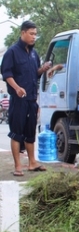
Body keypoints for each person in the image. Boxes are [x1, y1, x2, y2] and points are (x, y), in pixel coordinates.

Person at [0, 20, 52, 176]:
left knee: (30, 131)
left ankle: (32, 162)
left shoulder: (34, 54)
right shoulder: (12, 52)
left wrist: (42, 69)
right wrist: (17, 88)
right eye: (31, 34)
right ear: (23, 33)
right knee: (17, 132)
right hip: (18, 99)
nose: (34, 37)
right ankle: (18, 166)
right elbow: (6, 74)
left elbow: (34, 73)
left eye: (35, 34)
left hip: (31, 99)